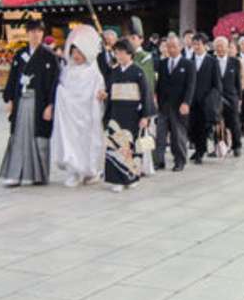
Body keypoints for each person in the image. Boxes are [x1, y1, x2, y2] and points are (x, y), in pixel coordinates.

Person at [0, 19, 60, 187]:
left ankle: (39, 174)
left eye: (39, 32)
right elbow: (13, 78)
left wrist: (51, 105)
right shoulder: (20, 54)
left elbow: (55, 82)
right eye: (32, 31)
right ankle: (14, 174)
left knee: (39, 138)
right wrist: (10, 99)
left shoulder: (50, 56)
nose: (36, 35)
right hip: (21, 100)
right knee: (18, 136)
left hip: (39, 102)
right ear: (27, 33)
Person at [51, 26, 106, 187]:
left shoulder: (94, 73)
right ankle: (74, 171)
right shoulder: (66, 72)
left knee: (87, 142)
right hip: (70, 116)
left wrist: (100, 95)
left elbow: (99, 91)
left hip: (87, 115)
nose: (76, 56)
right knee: (71, 142)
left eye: (80, 52)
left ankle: (90, 171)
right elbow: (62, 89)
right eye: (74, 52)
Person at [104, 39, 150, 191]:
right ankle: (116, 179)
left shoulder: (138, 71)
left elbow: (146, 95)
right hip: (116, 114)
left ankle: (131, 177)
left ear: (130, 54)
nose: (119, 56)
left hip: (132, 114)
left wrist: (145, 116)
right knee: (114, 145)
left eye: (122, 53)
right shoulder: (114, 72)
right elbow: (110, 93)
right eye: (116, 53)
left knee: (130, 147)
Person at [154, 34, 194, 171]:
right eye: (168, 47)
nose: (171, 49)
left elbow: (190, 86)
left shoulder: (188, 64)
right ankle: (159, 161)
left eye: (174, 47)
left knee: (178, 135)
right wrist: (157, 101)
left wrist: (186, 103)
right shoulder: (163, 63)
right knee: (160, 135)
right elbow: (159, 84)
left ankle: (180, 160)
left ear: (180, 47)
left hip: (179, 105)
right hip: (164, 105)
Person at [187, 33, 219, 164]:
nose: (196, 47)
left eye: (198, 44)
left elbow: (217, 83)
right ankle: (199, 148)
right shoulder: (189, 61)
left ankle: (200, 151)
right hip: (191, 100)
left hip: (206, 100)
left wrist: (214, 100)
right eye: (194, 44)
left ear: (205, 45)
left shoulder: (212, 61)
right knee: (191, 127)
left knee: (202, 127)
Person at [213, 36, 242, 157]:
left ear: (227, 47)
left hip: (231, 96)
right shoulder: (211, 61)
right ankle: (219, 147)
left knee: (234, 122)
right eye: (217, 46)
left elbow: (238, 82)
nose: (219, 48)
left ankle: (237, 146)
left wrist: (239, 98)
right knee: (217, 123)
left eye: (222, 46)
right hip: (216, 97)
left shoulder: (235, 62)